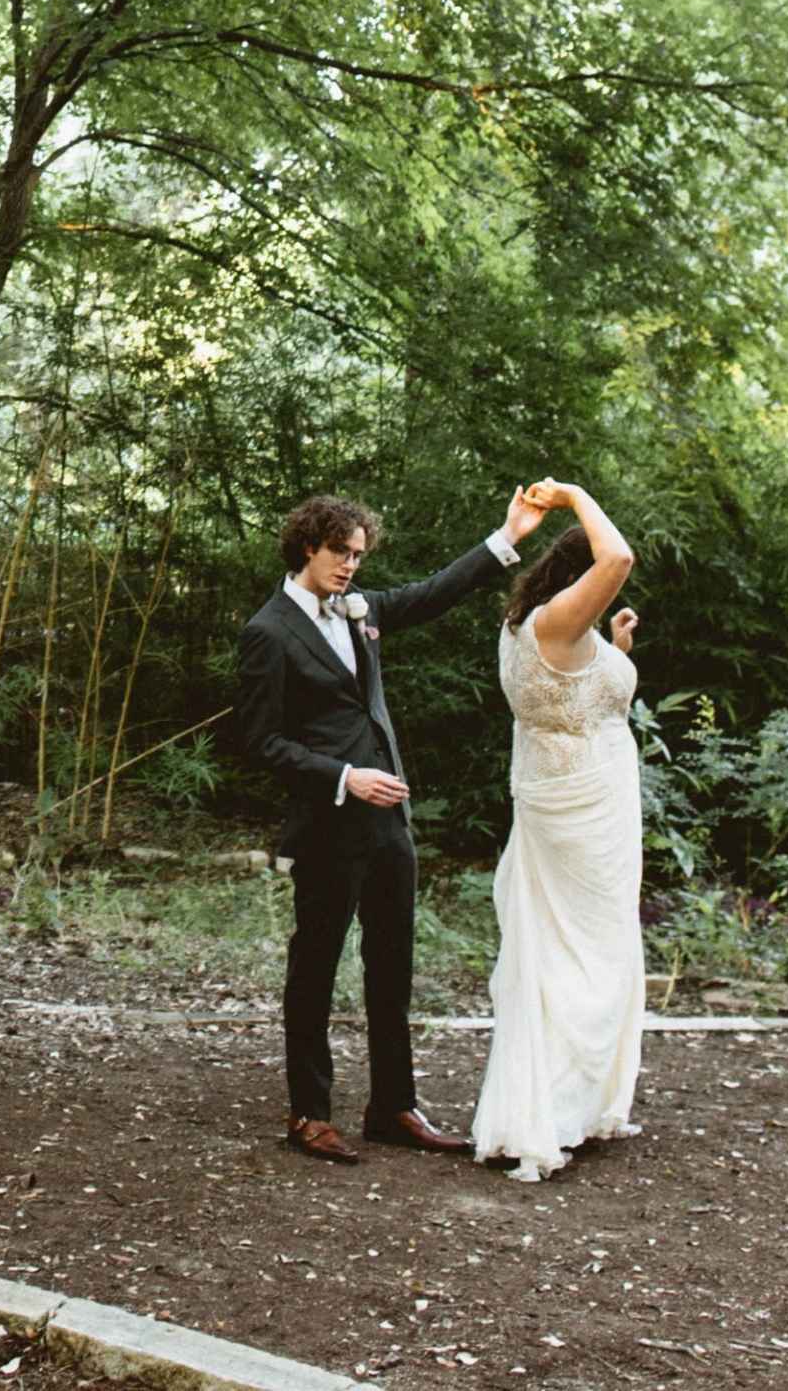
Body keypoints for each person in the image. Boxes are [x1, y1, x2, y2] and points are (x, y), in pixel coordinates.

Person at [232, 484, 552, 1163]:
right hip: (327, 823)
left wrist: (508, 535)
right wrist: (345, 777)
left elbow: (435, 592)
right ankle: (308, 1113)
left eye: (359, 555)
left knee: (392, 965)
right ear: (307, 546)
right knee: (314, 966)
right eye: (342, 553)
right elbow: (260, 742)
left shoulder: (360, 611)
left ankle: (393, 1105)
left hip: (389, 824)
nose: (352, 567)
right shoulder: (267, 632)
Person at [469, 478, 645, 1181]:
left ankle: (565, 1101)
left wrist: (618, 647)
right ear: (582, 579)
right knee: (590, 955)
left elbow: (576, 693)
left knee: (557, 948)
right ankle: (556, 1106)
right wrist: (573, 495)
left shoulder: (527, 625)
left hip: (558, 802)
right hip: (587, 812)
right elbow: (620, 558)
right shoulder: (557, 624)